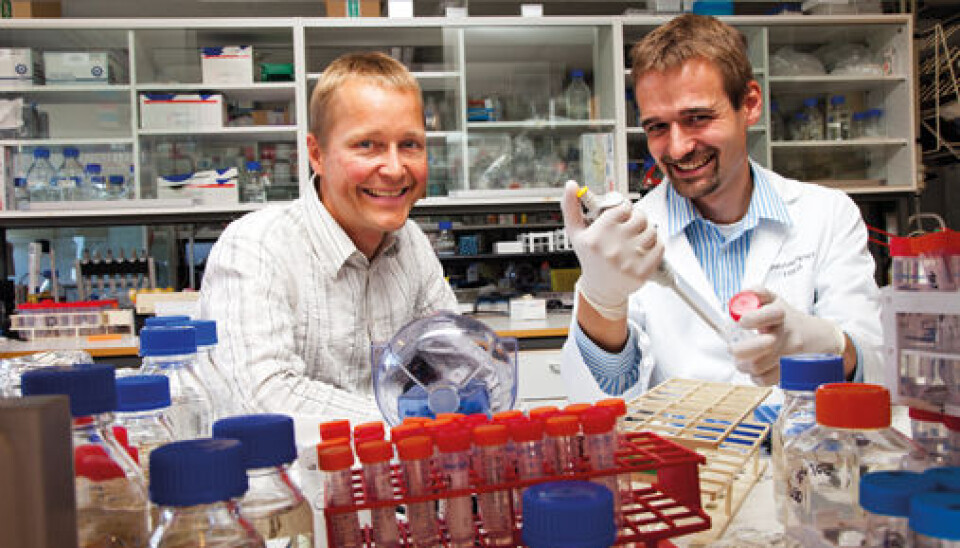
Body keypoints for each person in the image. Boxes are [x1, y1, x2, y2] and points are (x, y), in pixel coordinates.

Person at [560, 14, 882, 402]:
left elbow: (875, 370)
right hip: (687, 459)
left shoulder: (827, 214)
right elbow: (602, 401)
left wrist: (826, 344)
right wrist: (602, 301)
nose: (677, 148)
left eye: (697, 118)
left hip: (805, 455)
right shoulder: (630, 235)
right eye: (657, 127)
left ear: (749, 104)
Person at [199, 52, 458, 427]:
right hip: (288, 482)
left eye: (410, 144)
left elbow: (452, 360)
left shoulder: (411, 243)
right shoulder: (256, 246)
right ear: (317, 155)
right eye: (367, 145)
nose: (394, 168)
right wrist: (409, 417)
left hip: (392, 477)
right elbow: (262, 398)